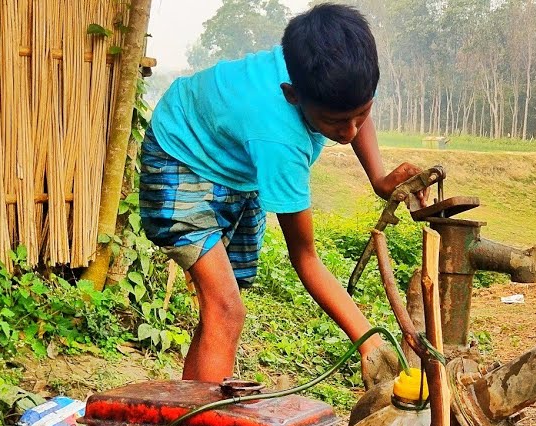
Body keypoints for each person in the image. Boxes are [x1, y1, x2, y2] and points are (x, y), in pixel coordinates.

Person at [141, 3, 418, 384]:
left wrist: (379, 178)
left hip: (233, 159)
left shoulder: (322, 75)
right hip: (180, 154)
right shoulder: (280, 142)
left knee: (222, 301)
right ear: (292, 95)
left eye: (363, 113)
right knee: (226, 309)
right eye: (335, 123)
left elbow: (350, 110)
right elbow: (305, 258)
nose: (351, 132)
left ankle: (192, 418)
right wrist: (367, 341)